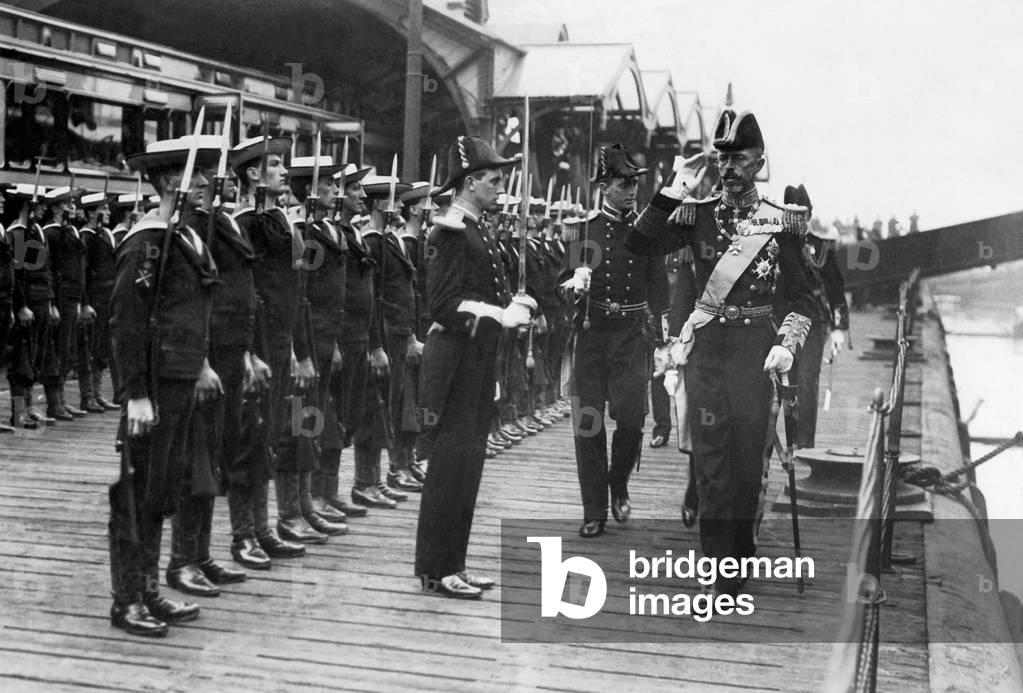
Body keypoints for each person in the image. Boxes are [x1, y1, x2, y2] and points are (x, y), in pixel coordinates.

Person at [628, 110, 816, 595]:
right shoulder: (698, 213)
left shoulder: (783, 221)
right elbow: (638, 243)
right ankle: (720, 574)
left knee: (745, 462)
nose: (728, 167)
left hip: (756, 352)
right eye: (722, 158)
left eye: (738, 158)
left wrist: (787, 344)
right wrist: (674, 186)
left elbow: (803, 298)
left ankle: (740, 556)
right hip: (708, 351)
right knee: (711, 462)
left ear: (759, 161)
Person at [108, 134, 220, 636]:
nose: (206, 184)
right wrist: (134, 392)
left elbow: (186, 312)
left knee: (161, 490)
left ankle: (150, 590)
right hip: (153, 385)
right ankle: (127, 599)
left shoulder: (186, 236)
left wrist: (200, 364)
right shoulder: (148, 241)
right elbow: (127, 322)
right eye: (196, 177)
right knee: (135, 491)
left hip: (179, 378)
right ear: (170, 182)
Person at [415, 135, 534, 599]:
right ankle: (434, 568)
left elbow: (481, 290)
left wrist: (514, 304)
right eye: (494, 179)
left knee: (469, 465)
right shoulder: (449, 232)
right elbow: (443, 305)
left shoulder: (477, 228)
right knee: (449, 466)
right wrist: (498, 315)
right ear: (470, 182)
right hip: (456, 361)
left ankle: (455, 563)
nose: (501, 187)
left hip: (478, 358)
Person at [559, 143, 670, 539]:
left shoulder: (647, 233)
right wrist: (574, 283)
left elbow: (660, 293)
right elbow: (562, 285)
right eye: (624, 184)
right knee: (588, 425)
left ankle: (618, 481)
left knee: (631, 418)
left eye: (634, 184)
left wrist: (664, 344)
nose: (631, 191)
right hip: (592, 337)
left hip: (630, 337)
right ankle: (594, 509)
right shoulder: (582, 231)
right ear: (604, 186)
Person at [230, 136, 317, 551]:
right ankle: (245, 534)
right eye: (277, 165)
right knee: (249, 434)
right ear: (252, 174)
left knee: (276, 431)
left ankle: (266, 528)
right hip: (256, 340)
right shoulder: (241, 223)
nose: (286, 172)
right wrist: (248, 352)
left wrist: (301, 351)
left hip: (281, 340)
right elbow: (243, 293)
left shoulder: (281, 220)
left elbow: (296, 288)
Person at [285, 154, 351, 536]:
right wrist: (301, 350)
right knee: (301, 422)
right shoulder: (305, 233)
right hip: (308, 339)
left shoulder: (324, 230)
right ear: (310, 190)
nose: (335, 190)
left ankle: (312, 497)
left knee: (317, 419)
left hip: (325, 338)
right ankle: (298, 505)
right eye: (327, 184)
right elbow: (302, 293)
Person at [783, 184, 850, 449]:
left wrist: (839, 327)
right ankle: (789, 440)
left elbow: (835, 288)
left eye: (804, 214)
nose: (800, 219)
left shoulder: (820, 248)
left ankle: (804, 444)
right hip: (783, 320)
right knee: (787, 382)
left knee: (807, 381)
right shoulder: (775, 243)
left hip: (810, 319)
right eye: (794, 214)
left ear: (810, 215)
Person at [6, 183, 56, 428]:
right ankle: (18, 412)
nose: (44, 209)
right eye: (40, 204)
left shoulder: (35, 231)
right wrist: (22, 306)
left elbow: (39, 270)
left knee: (34, 358)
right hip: (27, 305)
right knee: (21, 361)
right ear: (29, 205)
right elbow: (17, 276)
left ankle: (29, 407)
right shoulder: (17, 233)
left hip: (40, 302)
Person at [42, 184, 88, 421]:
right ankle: (53, 402)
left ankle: (61, 400)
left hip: (72, 296)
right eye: (69, 203)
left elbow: (80, 270)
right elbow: (44, 269)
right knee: (57, 350)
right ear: (57, 208)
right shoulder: (48, 233)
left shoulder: (70, 231)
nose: (73, 207)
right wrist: (51, 302)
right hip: (58, 296)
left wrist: (82, 301)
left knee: (68, 350)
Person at [78, 190, 119, 413]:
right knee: (90, 347)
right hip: (95, 298)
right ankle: (88, 396)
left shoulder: (104, 235)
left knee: (103, 347)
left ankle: (97, 394)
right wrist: (85, 302)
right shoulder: (86, 237)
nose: (107, 212)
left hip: (108, 297)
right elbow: (83, 273)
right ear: (92, 213)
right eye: (102, 209)